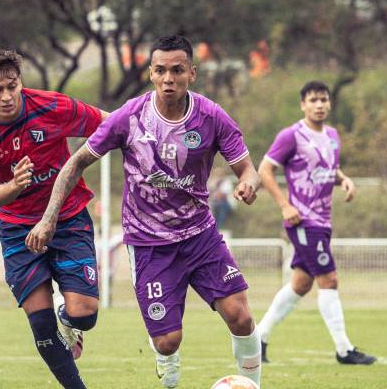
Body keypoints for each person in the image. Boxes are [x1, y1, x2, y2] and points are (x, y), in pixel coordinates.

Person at [27, 35, 263, 388]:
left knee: (240, 316)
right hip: (149, 244)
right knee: (169, 341)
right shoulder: (129, 117)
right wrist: (48, 218)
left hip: (201, 236)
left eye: (178, 70)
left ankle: (252, 385)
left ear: (192, 74)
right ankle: (167, 369)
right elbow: (76, 163)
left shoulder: (212, 117)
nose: (169, 78)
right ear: (151, 75)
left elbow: (248, 168)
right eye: (161, 71)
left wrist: (248, 183)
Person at [0, 48, 107, 389]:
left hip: (68, 217)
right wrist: (15, 184)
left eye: (13, 86)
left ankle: (68, 317)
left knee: (85, 315)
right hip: (17, 229)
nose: (8, 96)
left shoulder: (52, 106)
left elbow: (109, 122)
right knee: (40, 325)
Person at [255, 81, 376, 365]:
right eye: (313, 100)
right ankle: (344, 350)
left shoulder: (333, 135)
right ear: (303, 104)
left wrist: (343, 179)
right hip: (302, 220)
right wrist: (285, 205)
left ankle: (258, 338)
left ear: (329, 103)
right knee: (329, 279)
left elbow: (328, 168)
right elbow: (264, 169)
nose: (319, 105)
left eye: (324, 99)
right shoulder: (291, 136)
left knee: (300, 284)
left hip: (323, 220)